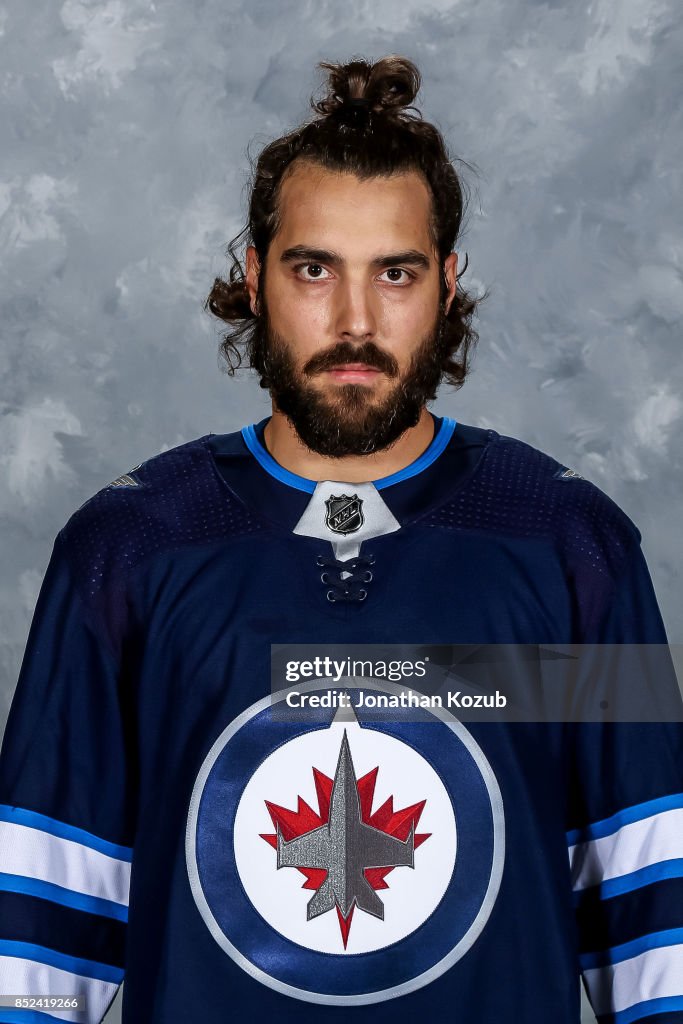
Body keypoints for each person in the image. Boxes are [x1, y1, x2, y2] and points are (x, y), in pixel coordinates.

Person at [0, 55, 681, 1024]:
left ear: (446, 284)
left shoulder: (570, 547)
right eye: (313, 268)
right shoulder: (129, 549)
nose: (354, 320)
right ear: (255, 278)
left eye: (394, 272)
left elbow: (655, 929)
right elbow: (35, 948)